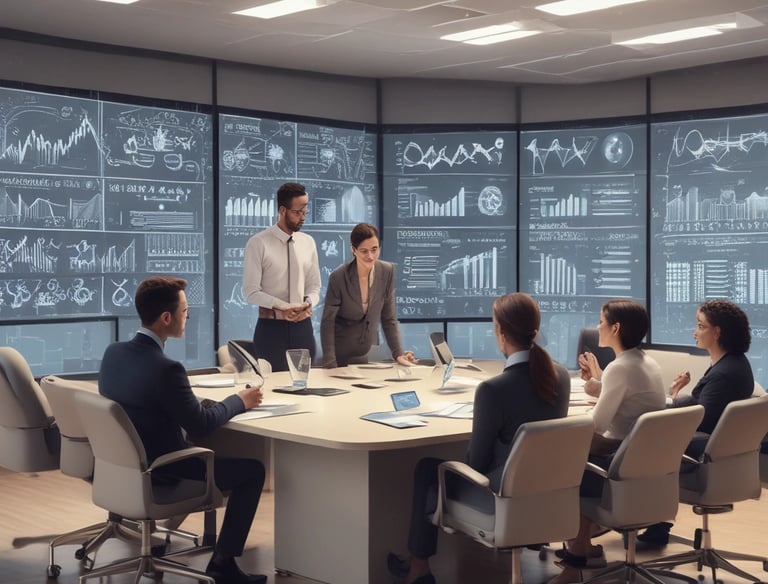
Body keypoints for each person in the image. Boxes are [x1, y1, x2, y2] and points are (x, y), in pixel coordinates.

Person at [388, 292, 571, 584]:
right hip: (548, 494)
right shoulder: (560, 377)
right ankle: (416, 566)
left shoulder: (493, 390)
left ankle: (418, 568)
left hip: (501, 497)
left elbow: (477, 462)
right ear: (534, 331)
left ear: (500, 332)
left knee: (427, 467)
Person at [99, 276, 267, 584]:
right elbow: (200, 427)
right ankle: (223, 564)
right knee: (253, 470)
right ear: (166, 318)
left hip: (123, 470)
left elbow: (152, 403)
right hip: (167, 471)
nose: (187, 317)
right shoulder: (167, 369)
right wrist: (239, 400)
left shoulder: (114, 354)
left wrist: (191, 401)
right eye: (185, 311)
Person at [550, 299, 666, 584]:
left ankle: (575, 558)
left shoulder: (620, 367)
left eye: (601, 321)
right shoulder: (646, 362)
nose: (597, 326)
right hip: (641, 460)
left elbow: (598, 424)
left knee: (564, 458)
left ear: (615, 328)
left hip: (618, 460)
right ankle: (584, 546)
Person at [636, 299, 754, 547]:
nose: (695, 331)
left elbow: (701, 418)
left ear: (717, 332)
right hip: (721, 453)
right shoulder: (732, 363)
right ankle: (656, 523)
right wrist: (673, 398)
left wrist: (663, 408)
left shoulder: (724, 373)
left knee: (640, 447)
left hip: (705, 453)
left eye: (700, 326)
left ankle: (643, 521)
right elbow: (702, 406)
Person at [242, 182, 321, 372]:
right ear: (282, 210)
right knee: (271, 389)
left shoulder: (308, 243)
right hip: (271, 329)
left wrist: (309, 302)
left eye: (305, 212)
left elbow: (314, 286)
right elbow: (250, 292)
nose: (302, 218)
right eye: (297, 212)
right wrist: (284, 307)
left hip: (303, 328)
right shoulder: (258, 243)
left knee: (304, 386)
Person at [321, 222, 416, 368]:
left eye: (374, 249)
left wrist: (398, 354)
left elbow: (388, 319)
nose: (370, 256)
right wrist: (329, 363)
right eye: (364, 251)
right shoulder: (339, 277)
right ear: (353, 250)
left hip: (362, 355)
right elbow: (328, 323)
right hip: (339, 356)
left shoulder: (387, 271)